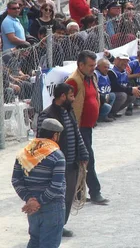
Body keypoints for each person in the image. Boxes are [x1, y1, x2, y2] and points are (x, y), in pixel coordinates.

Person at [37, 83, 89, 238]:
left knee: (68, 196)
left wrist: (83, 153)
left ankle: (60, 225)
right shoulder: (47, 116)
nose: (73, 99)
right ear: (62, 96)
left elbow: (76, 133)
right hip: (56, 165)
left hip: (71, 164)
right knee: (55, 197)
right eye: (71, 96)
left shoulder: (68, 111)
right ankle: (48, 226)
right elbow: (41, 142)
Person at [12, 118, 66, 248]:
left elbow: (16, 180)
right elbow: (56, 185)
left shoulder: (24, 153)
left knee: (34, 242)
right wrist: (39, 201)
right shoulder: (57, 156)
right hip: (53, 206)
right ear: (55, 135)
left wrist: (29, 199)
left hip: (32, 209)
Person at [65, 50, 109, 205]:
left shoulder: (91, 77)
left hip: (88, 127)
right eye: (90, 65)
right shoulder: (73, 81)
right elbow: (67, 106)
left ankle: (78, 193)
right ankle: (95, 192)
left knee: (81, 160)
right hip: (79, 128)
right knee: (87, 159)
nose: (93, 68)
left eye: (94, 65)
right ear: (80, 65)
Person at [95, 58, 116, 122]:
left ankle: (106, 115)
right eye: (105, 67)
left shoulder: (107, 74)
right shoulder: (95, 74)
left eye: (108, 67)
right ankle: (97, 118)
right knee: (107, 107)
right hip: (98, 98)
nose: (107, 69)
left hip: (104, 97)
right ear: (98, 66)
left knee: (112, 95)